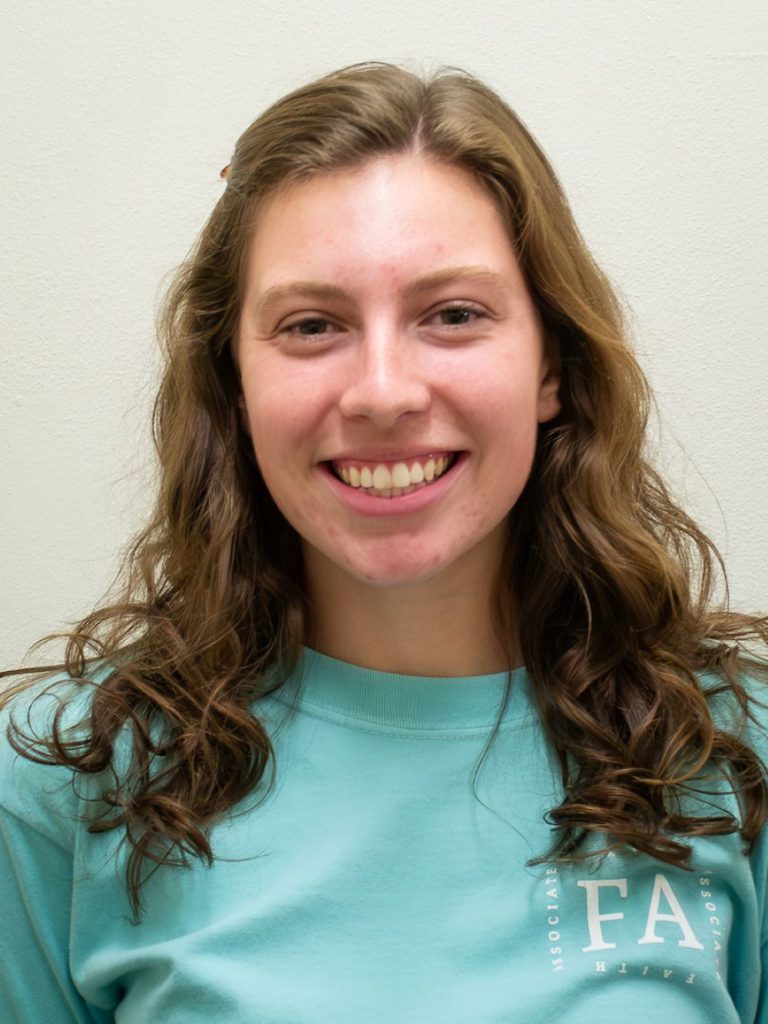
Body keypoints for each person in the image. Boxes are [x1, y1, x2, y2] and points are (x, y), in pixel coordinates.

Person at [1, 61, 766, 1023]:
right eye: (312, 324)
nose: (383, 391)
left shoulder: (735, 754)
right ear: (234, 389)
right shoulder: (62, 786)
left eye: (454, 315)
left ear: (552, 369)